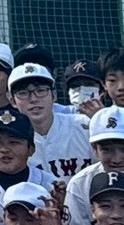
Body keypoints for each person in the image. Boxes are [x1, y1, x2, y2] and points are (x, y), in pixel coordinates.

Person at [7, 61, 95, 191]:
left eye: (41, 90)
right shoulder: (9, 139)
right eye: (23, 93)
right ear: (13, 101)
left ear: (53, 95)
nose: (33, 99)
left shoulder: (85, 127)